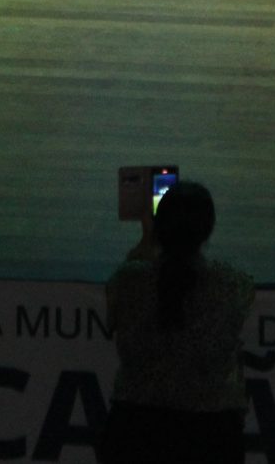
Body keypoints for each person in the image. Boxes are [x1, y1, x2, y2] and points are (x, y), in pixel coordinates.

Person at [100, 181, 252, 464]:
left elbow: (118, 305)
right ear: (208, 229)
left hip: (134, 430)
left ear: (159, 227)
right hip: (210, 433)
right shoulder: (232, 283)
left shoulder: (129, 280)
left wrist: (147, 239)